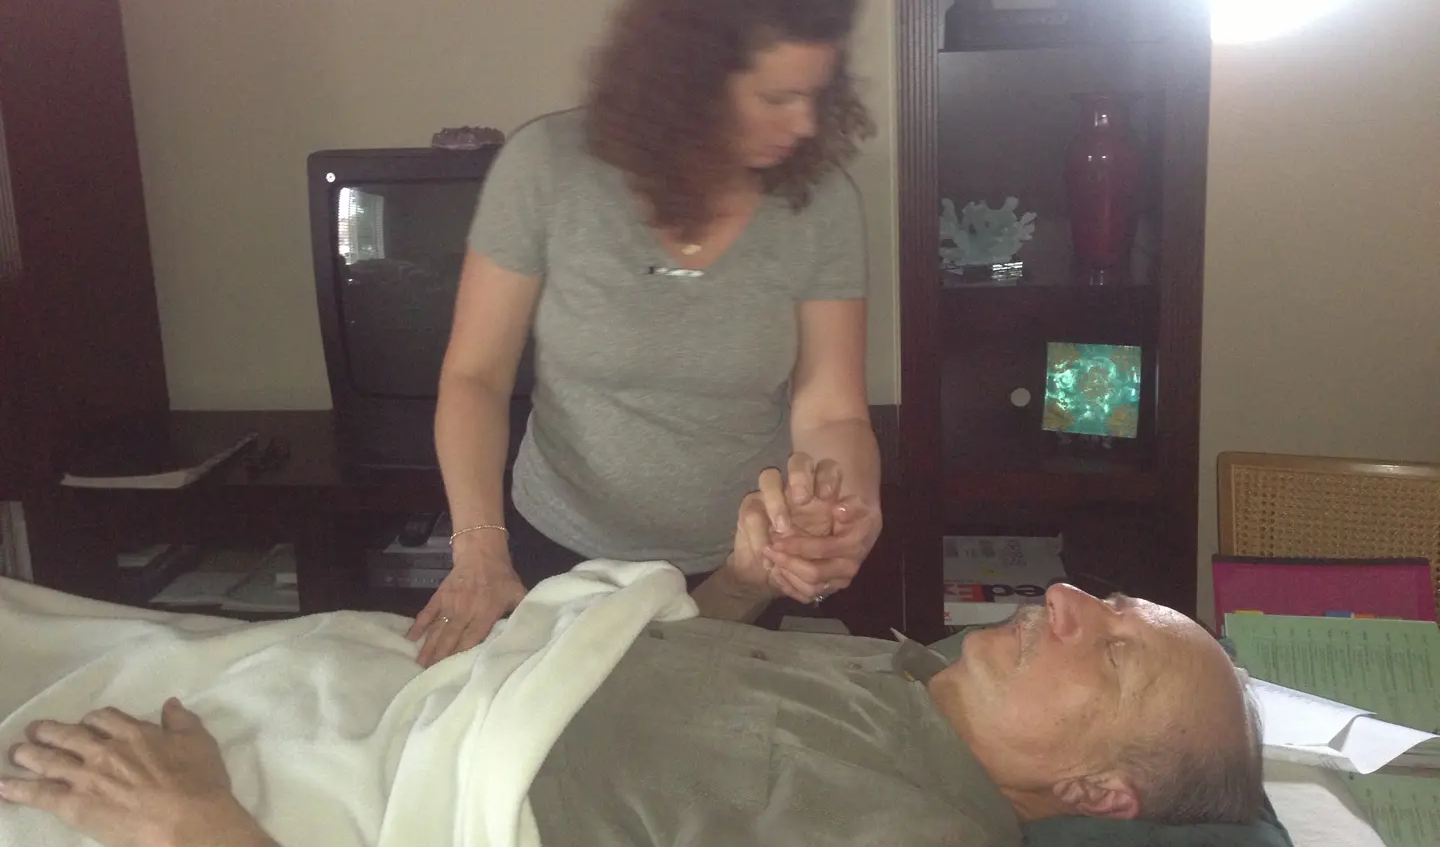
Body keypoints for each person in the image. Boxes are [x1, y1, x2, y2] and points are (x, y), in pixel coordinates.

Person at [1, 486, 1265, 847]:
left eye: (1105, 656)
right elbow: (700, 700)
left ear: (1103, 793)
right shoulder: (905, 677)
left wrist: (194, 825)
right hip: (399, 683)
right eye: (1100, 598)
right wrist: (746, 585)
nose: (1059, 601)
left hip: (357, 807)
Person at [417, 0, 884, 665]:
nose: (805, 125)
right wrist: (478, 550)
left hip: (737, 563)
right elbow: (474, 376)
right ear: (689, 78)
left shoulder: (821, 203)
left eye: (817, 94)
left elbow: (830, 406)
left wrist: (850, 505)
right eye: (778, 97)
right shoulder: (546, 169)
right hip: (552, 552)